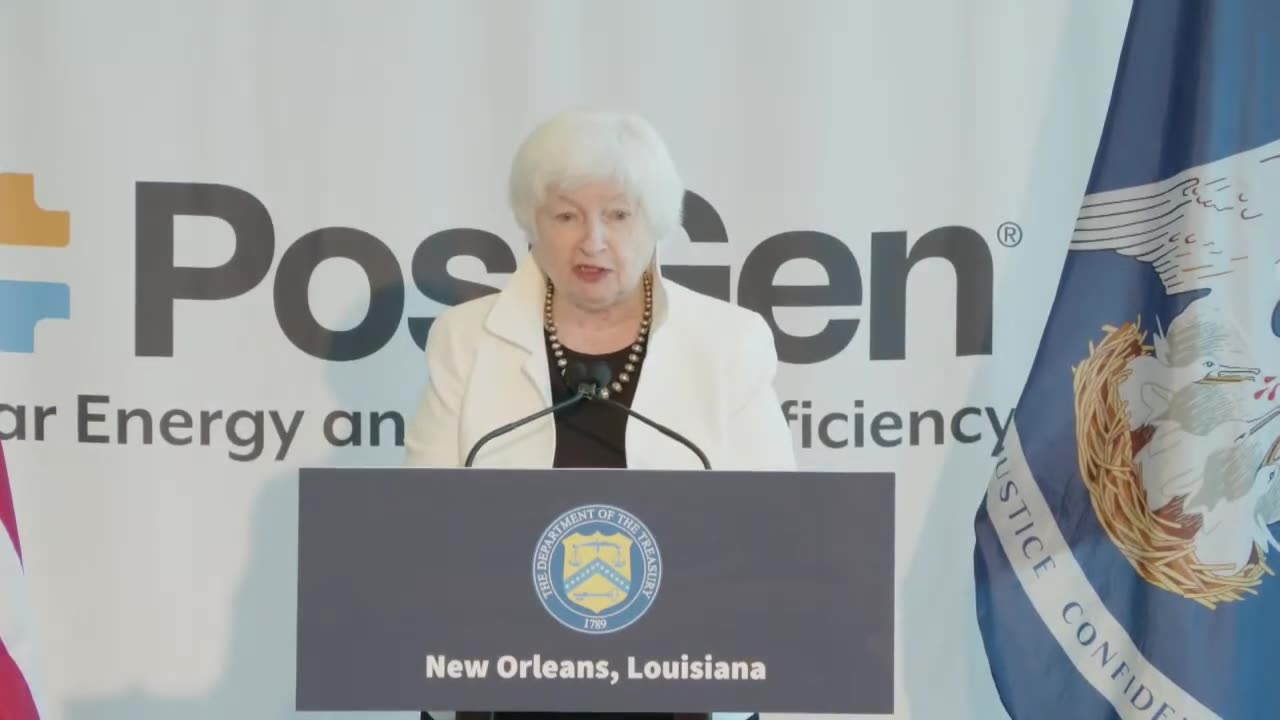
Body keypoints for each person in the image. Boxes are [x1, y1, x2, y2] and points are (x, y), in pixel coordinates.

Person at [406, 110, 793, 720]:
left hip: (679, 681)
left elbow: (776, 532)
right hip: (503, 676)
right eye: (565, 215)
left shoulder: (728, 343)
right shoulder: (467, 338)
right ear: (531, 223)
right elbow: (423, 524)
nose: (592, 240)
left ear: (656, 222)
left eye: (618, 214)